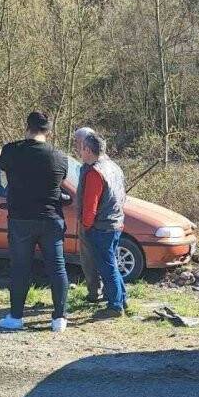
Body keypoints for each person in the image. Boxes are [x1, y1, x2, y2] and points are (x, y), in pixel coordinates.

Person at [0, 112, 69, 333]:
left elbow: (3, 181)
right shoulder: (59, 157)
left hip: (21, 219)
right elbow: (60, 183)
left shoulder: (10, 151)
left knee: (20, 268)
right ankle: (59, 319)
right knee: (57, 268)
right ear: (49, 131)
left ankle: (16, 317)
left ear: (27, 127)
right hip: (51, 218)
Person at [76, 132, 128, 319]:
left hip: (101, 227)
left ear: (89, 150)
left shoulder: (95, 173)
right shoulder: (114, 167)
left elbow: (90, 205)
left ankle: (115, 306)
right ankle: (122, 299)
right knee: (112, 263)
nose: (80, 152)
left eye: (82, 149)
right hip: (115, 223)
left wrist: (87, 226)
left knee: (107, 267)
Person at [72, 126, 102, 304]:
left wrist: (86, 223)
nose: (76, 146)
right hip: (96, 222)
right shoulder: (88, 166)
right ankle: (100, 293)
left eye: (78, 142)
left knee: (91, 261)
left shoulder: (93, 169)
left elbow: (91, 200)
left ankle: (95, 294)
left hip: (92, 223)